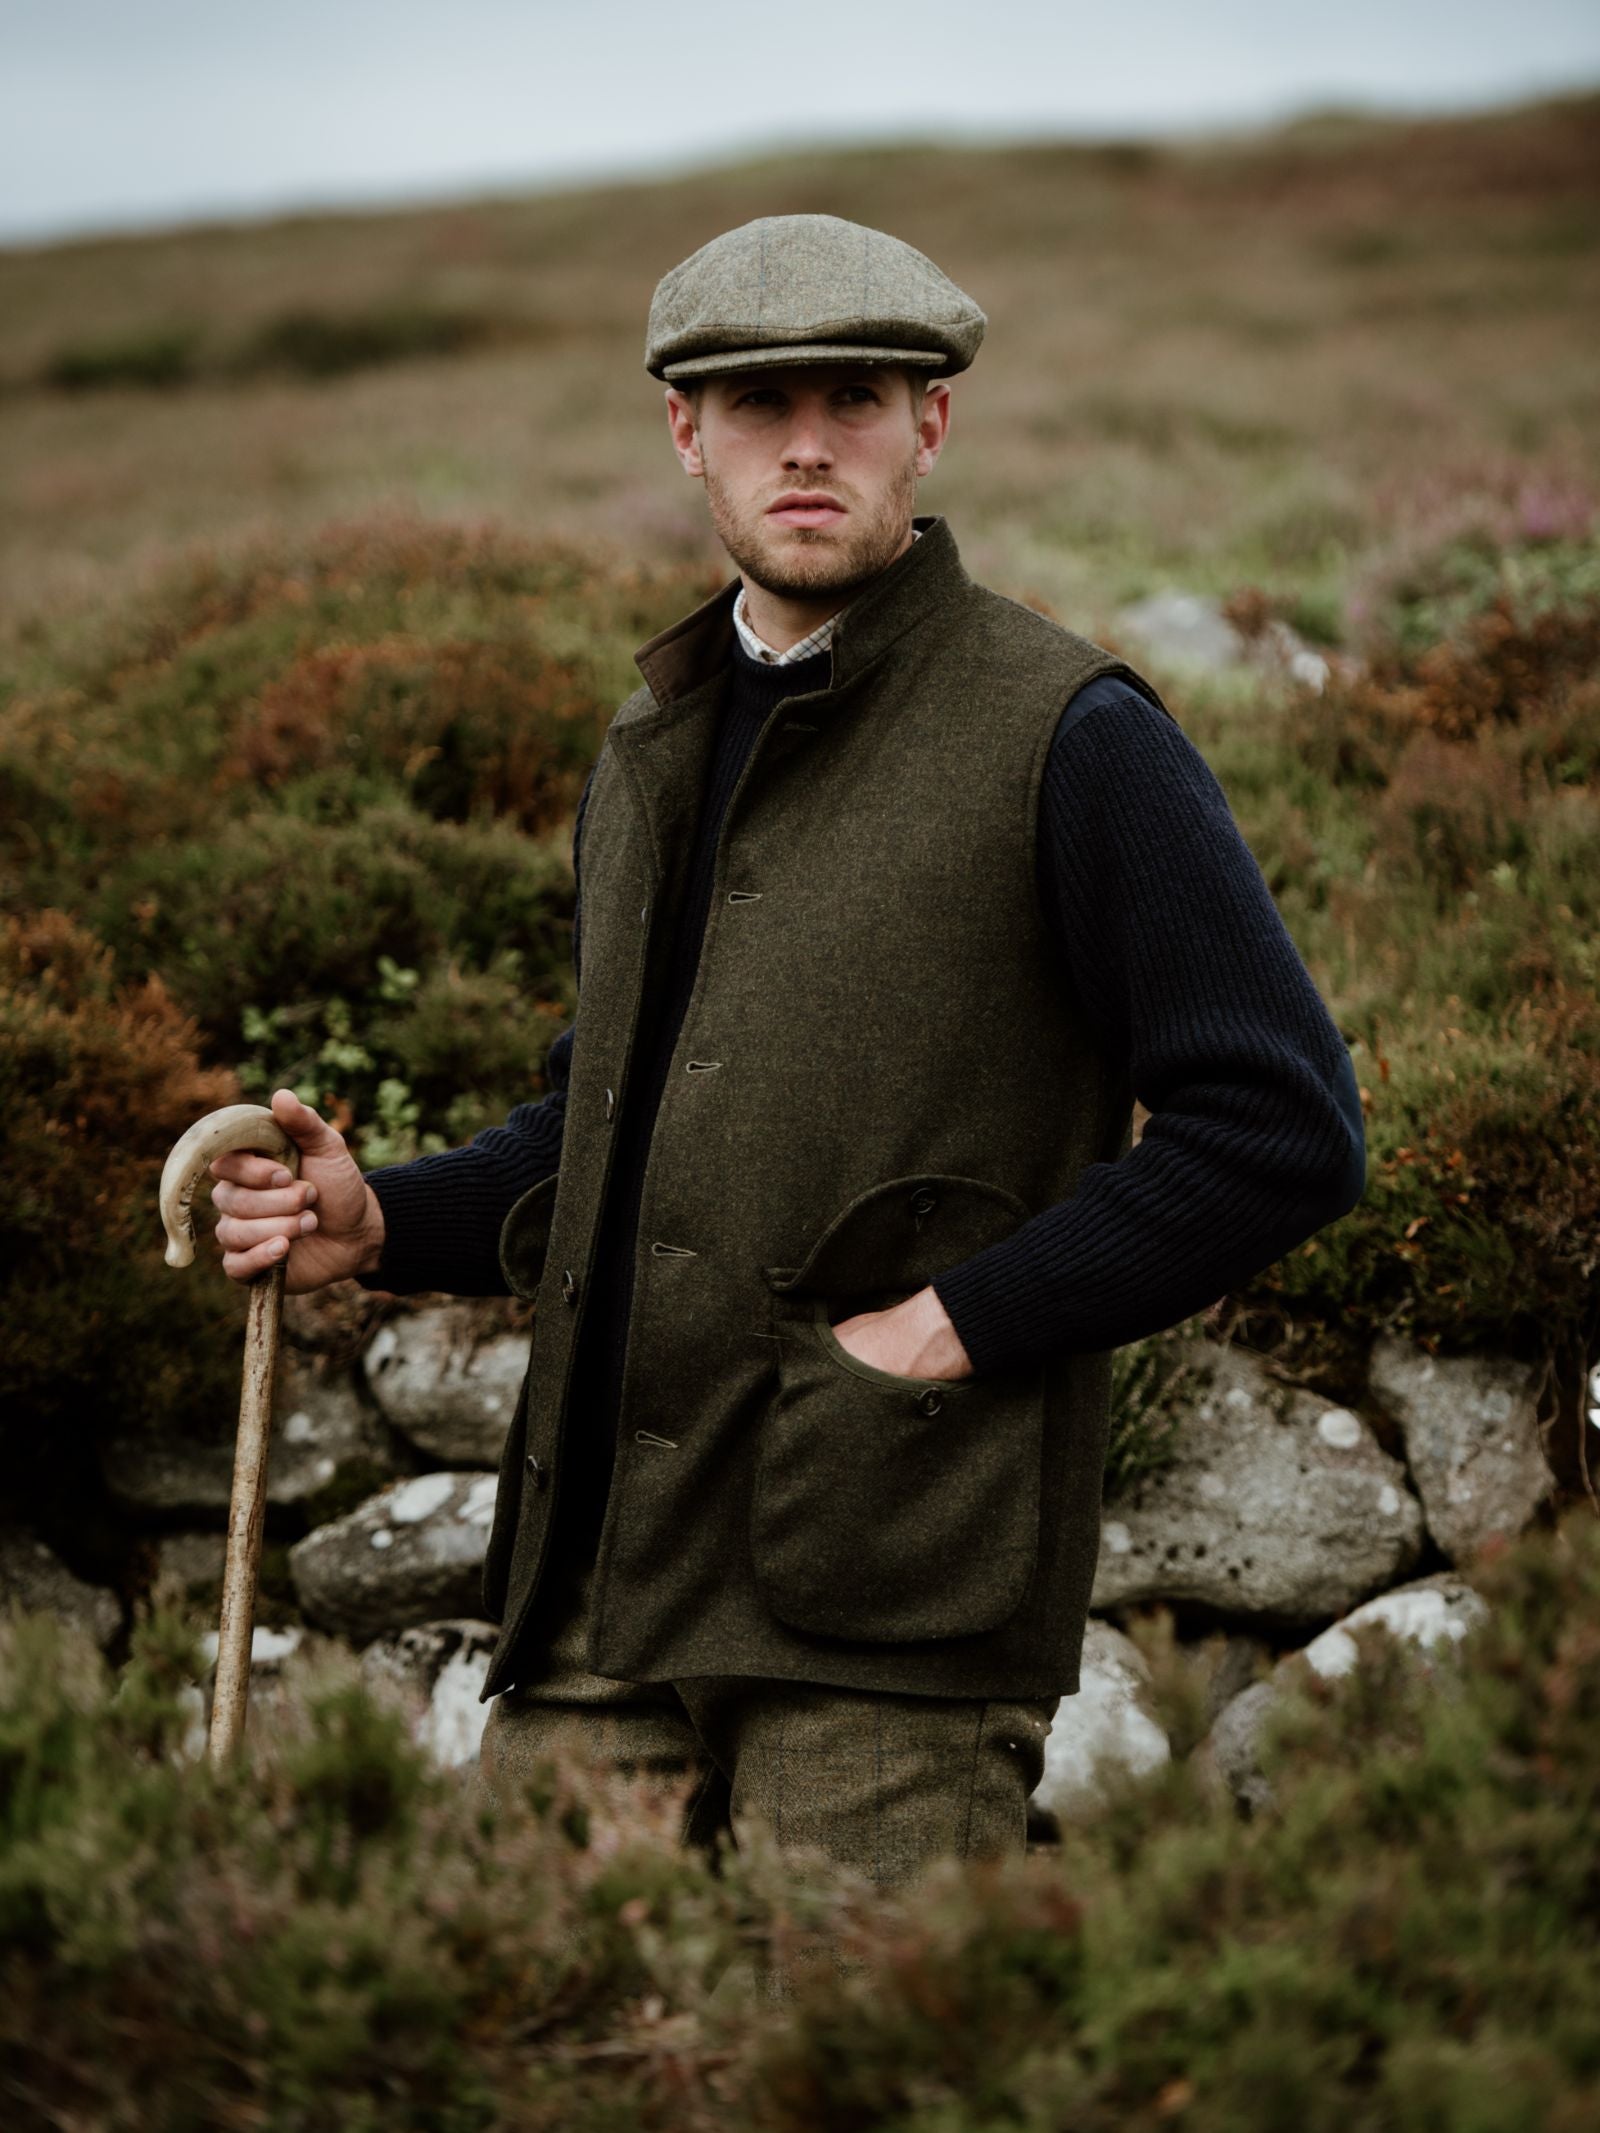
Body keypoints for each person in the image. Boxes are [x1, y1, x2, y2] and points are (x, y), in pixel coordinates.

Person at [211, 212, 1366, 1888]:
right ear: (687, 434)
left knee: (845, 2037)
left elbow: (1280, 1127)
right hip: (596, 1600)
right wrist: (383, 1216)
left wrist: (947, 1326)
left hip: (889, 1619)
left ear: (930, 423)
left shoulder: (1072, 733)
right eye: (758, 403)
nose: (807, 444)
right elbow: (606, 1122)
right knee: (531, 2016)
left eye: (855, 399)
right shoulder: (647, 744)